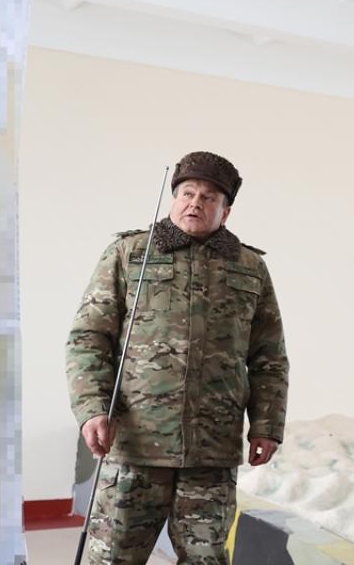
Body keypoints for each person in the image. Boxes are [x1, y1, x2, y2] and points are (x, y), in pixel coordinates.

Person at [67, 151, 288, 564]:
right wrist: (91, 408)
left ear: (225, 211)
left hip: (212, 451)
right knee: (112, 558)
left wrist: (267, 425)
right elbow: (88, 338)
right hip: (135, 446)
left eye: (209, 197)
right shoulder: (130, 253)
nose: (195, 203)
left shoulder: (249, 267)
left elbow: (269, 357)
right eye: (187, 193)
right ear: (174, 198)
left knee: (206, 559)